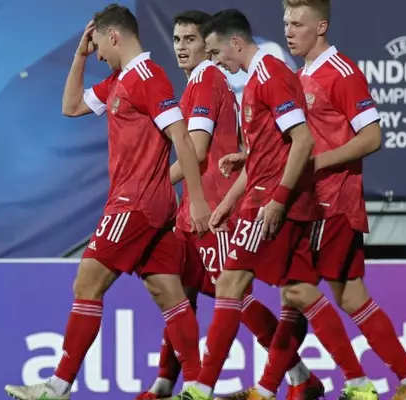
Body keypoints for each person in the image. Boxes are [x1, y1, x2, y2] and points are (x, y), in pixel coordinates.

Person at [3, 4, 212, 400]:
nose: (97, 54)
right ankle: (199, 387)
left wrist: (197, 200)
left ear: (114, 36)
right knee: (169, 293)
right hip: (149, 205)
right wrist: (79, 55)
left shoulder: (148, 77)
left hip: (134, 204)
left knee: (87, 282)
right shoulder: (120, 79)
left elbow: (182, 138)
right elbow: (71, 107)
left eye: (98, 45)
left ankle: (58, 386)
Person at [169, 9, 373, 400]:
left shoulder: (267, 75)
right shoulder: (256, 80)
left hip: (274, 203)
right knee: (295, 293)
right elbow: (265, 152)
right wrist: (231, 198)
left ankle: (202, 387)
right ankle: (341, 381)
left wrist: (277, 197)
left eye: (212, 50)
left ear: (235, 43)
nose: (214, 61)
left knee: (234, 285)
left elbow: (303, 141)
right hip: (260, 200)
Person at [136, 10, 321, 400]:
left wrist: (148, 186)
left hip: (212, 207)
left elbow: (198, 153)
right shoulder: (200, 82)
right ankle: (163, 385)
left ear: (209, 45)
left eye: (191, 39)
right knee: (181, 293)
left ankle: (298, 376)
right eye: (177, 39)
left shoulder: (207, 79)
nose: (181, 47)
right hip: (193, 208)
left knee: (234, 293)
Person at [279, 0, 406, 399]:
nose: (289, 31)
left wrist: (317, 162)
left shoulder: (342, 72)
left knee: (295, 291)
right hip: (313, 203)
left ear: (321, 26)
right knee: (348, 297)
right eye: (286, 22)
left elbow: (372, 137)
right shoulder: (298, 76)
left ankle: (335, 383)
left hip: (331, 203)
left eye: (298, 23)